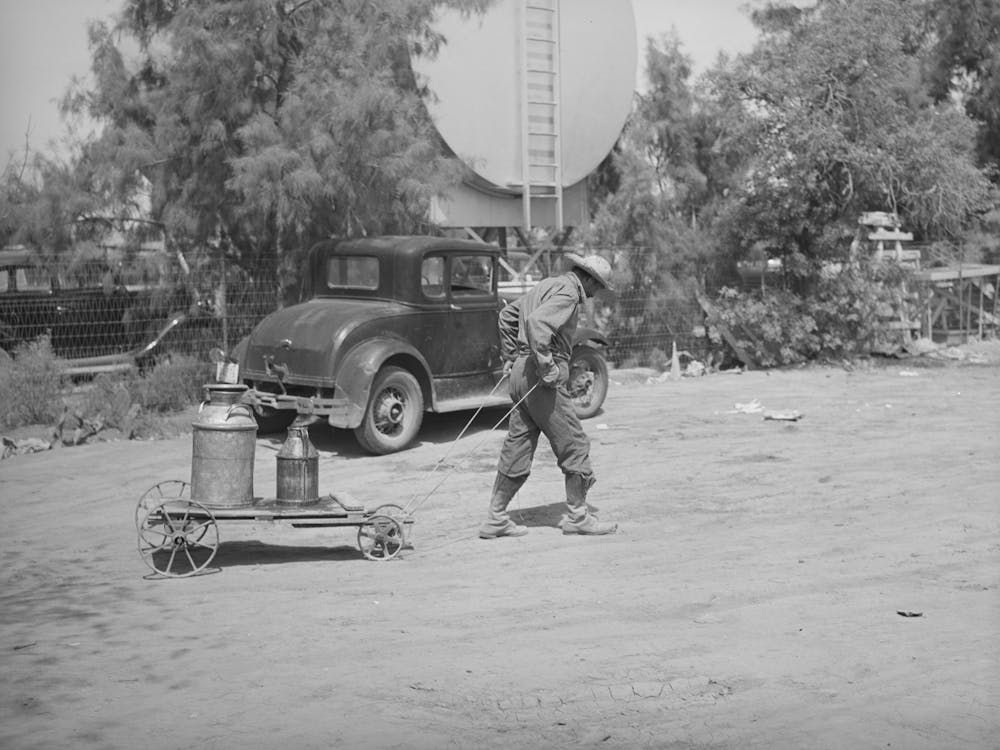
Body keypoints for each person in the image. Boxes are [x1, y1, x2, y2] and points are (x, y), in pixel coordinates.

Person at [479, 253, 618, 539]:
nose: (597, 293)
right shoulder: (568, 292)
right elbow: (538, 324)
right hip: (539, 380)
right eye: (599, 286)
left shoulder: (547, 285)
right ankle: (579, 516)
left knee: (518, 446)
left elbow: (507, 316)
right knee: (575, 443)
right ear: (588, 279)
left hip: (520, 373)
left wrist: (512, 355)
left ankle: (495, 517)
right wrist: (546, 366)